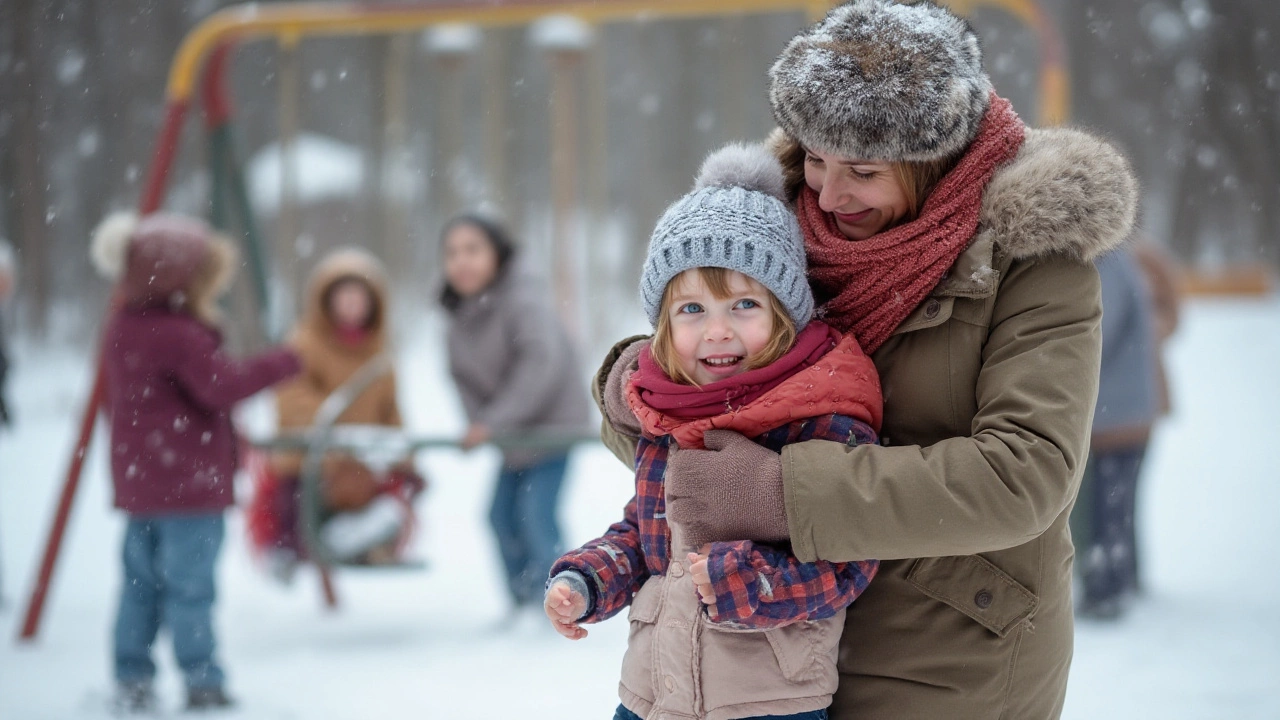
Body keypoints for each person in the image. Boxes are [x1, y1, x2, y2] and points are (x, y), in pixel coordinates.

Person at [592, 2, 1139, 717]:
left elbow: (1023, 475)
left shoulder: (1031, 263)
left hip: (949, 650)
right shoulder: (777, 228)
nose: (828, 192)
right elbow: (702, 439)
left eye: (863, 171)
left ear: (933, 161)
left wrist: (782, 492)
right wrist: (639, 384)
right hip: (775, 645)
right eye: (816, 159)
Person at [545, 144, 881, 720]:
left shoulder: (818, 417)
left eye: (744, 305)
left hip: (768, 700)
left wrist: (749, 581)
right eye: (692, 310)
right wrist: (589, 577)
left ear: (784, 312)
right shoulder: (669, 417)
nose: (717, 331)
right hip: (655, 696)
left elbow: (849, 560)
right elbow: (646, 531)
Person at [91, 212, 301, 713]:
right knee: (191, 589)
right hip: (188, 487)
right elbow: (222, 386)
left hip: (142, 484)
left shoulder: (123, 326)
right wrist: (283, 361)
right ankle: (202, 678)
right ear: (182, 278)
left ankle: (131, 676)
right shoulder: (179, 333)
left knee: (139, 588)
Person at [438, 213, 589, 617]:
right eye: (452, 253)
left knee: (538, 517)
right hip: (511, 437)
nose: (462, 261)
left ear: (497, 254)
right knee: (499, 517)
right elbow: (461, 378)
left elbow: (541, 364)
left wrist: (492, 422)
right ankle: (523, 602)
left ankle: (562, 603)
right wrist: (479, 423)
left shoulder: (523, 298)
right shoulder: (459, 318)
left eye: (473, 250)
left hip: (551, 429)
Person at [264, 247, 423, 574]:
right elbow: (292, 398)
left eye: (360, 296)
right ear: (327, 300)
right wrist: (335, 438)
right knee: (297, 497)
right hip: (314, 456)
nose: (352, 304)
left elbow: (391, 410)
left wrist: (404, 457)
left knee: (398, 490)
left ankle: (368, 537)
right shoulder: (303, 343)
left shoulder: (379, 352)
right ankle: (293, 547)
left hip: (366, 459)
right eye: (344, 295)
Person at [1073, 238, 1177, 619]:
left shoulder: (1106, 264)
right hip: (1123, 411)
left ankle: (1107, 589)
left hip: (1113, 414)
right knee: (1115, 503)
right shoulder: (1117, 259)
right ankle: (1120, 579)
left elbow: (1097, 332)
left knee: (1104, 505)